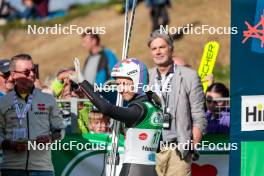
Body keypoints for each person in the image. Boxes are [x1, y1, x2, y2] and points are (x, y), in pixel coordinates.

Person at [72, 58, 163, 176]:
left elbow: (106, 108)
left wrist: (82, 83)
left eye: (124, 84)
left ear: (138, 81)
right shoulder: (154, 106)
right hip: (151, 169)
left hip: (133, 169)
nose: (120, 89)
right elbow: (158, 146)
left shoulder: (138, 109)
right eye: (118, 84)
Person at [148, 30, 207, 176]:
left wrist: (192, 146)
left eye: (161, 47)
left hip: (178, 151)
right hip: (150, 151)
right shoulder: (146, 76)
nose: (158, 52)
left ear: (171, 48)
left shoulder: (189, 76)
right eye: (154, 49)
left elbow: (198, 114)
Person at [0, 54, 65, 176]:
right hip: (12, 168)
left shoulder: (48, 99)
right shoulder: (3, 102)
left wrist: (50, 138)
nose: (31, 74)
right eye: (26, 71)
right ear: (14, 75)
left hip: (42, 168)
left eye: (33, 70)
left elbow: (60, 130)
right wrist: (9, 144)